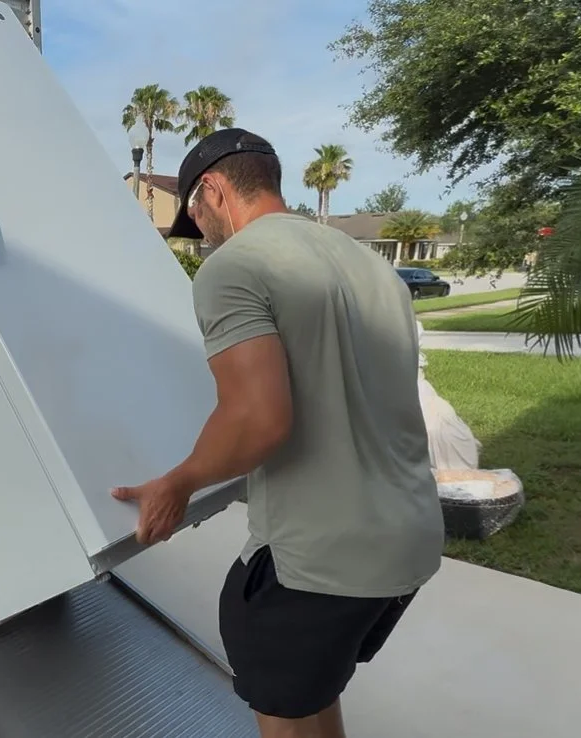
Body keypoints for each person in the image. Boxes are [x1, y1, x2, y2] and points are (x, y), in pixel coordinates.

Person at [110, 128, 444, 738]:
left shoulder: (235, 265)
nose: (200, 232)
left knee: (284, 707)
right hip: (408, 539)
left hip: (320, 557)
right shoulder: (371, 267)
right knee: (312, 695)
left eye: (194, 214)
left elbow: (258, 418)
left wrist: (180, 481)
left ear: (213, 190)